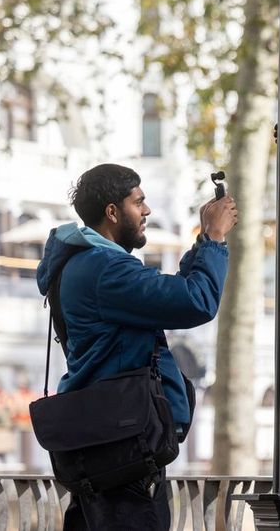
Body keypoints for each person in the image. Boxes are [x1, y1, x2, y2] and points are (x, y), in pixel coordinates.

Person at [36, 163, 237, 530]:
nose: (147, 211)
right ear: (112, 212)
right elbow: (196, 301)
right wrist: (215, 239)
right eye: (138, 202)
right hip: (123, 447)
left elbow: (168, 295)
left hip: (100, 442)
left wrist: (204, 242)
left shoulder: (79, 265)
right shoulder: (105, 269)